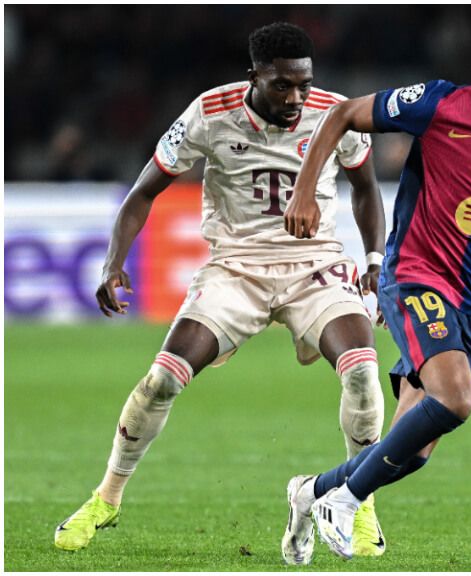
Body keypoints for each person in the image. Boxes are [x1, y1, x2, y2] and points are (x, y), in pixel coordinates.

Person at [53, 22, 390, 562]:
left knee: (363, 370)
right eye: (283, 85)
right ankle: (106, 498)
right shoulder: (210, 112)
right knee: (162, 380)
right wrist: (114, 262)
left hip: (316, 267)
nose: (296, 97)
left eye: (304, 84)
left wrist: (375, 259)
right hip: (235, 269)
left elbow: (367, 189)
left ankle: (359, 498)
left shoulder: (336, 110)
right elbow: (144, 191)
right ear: (253, 77)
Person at [281, 12, 471, 559]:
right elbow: (344, 113)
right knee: (457, 398)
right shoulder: (440, 105)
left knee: (414, 450)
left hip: (470, 298)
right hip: (415, 274)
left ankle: (312, 491)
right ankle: (345, 500)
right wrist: (305, 188)